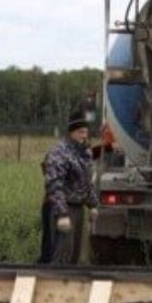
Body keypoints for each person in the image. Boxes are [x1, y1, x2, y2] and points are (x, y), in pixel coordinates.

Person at [39, 107, 99, 265]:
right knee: (61, 254)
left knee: (75, 255)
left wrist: (92, 204)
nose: (84, 136)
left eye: (86, 132)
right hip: (62, 207)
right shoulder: (59, 153)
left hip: (78, 207)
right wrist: (62, 214)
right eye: (80, 132)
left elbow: (87, 181)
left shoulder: (84, 152)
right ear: (71, 132)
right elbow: (54, 185)